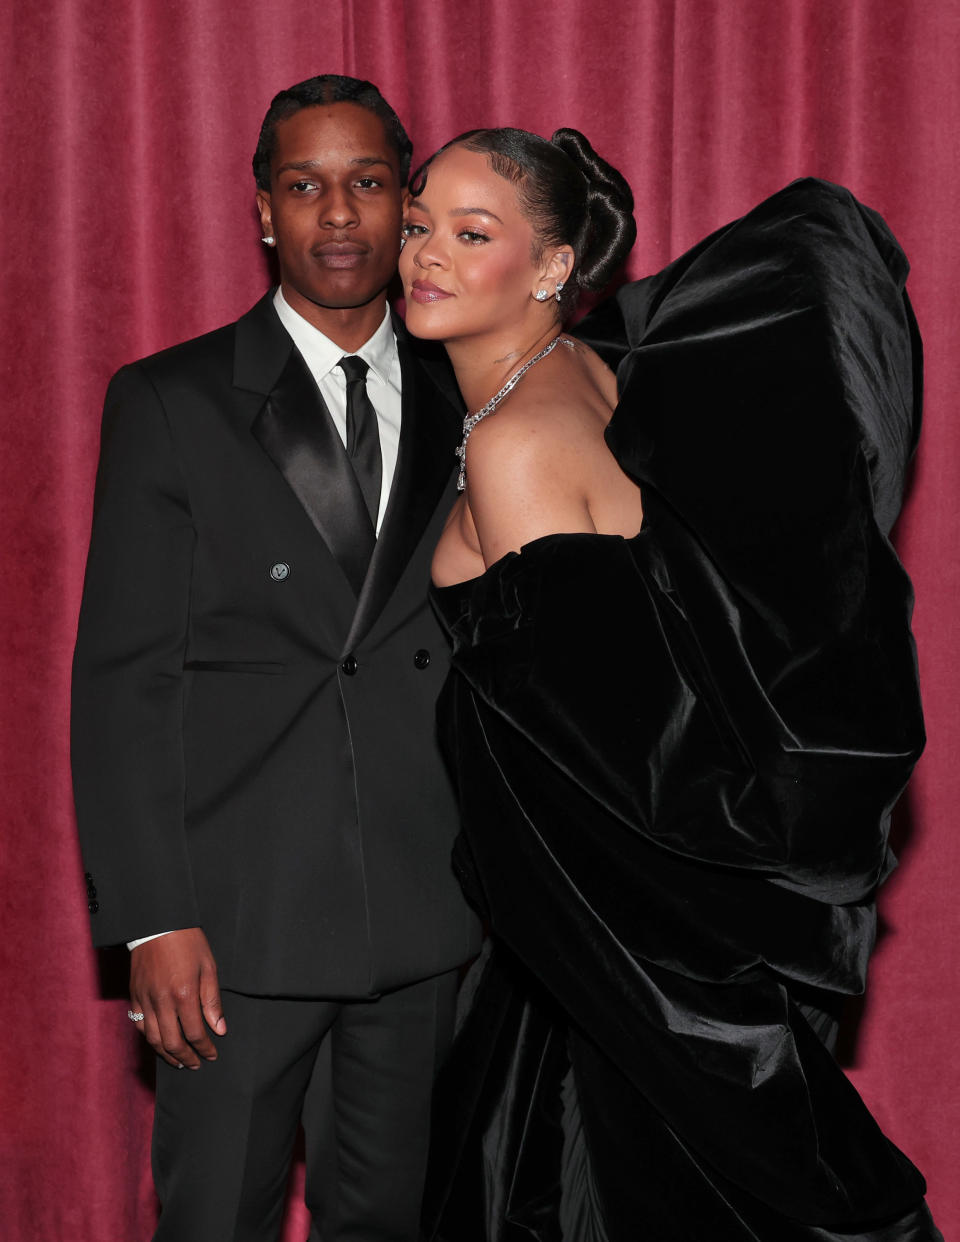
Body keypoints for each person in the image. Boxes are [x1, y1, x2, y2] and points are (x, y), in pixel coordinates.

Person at [397, 128, 942, 1239]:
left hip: (616, 947)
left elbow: (604, 761)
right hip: (576, 946)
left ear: (552, 268)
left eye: (471, 233)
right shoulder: (584, 372)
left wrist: (661, 986)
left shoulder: (518, 447)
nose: (426, 255)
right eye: (421, 226)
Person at [71, 74, 479, 1242]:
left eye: (366, 184)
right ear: (262, 210)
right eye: (305, 187)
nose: (337, 216)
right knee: (215, 1221)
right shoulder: (171, 400)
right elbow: (122, 680)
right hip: (236, 927)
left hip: (427, 914)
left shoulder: (477, 395)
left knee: (396, 1221)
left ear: (407, 207)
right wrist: (153, 919)